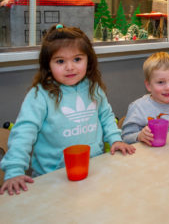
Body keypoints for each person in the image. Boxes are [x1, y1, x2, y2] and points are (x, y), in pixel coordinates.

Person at [0, 24, 135, 195]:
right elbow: (23, 134)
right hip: (52, 179)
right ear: (48, 65)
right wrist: (14, 171)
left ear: (89, 60)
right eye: (60, 61)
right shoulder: (39, 95)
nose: (70, 67)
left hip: (93, 171)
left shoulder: (93, 88)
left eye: (77, 59)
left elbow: (106, 117)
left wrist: (115, 139)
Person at [121, 52, 169, 145]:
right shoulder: (138, 108)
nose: (168, 87)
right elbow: (125, 137)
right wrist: (139, 136)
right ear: (148, 85)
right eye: (160, 82)